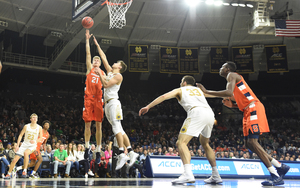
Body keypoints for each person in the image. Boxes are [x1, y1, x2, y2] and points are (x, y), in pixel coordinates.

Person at [197, 61, 290, 186]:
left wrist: (207, 91)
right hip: (247, 110)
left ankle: (275, 175)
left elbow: (228, 93)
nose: (220, 68)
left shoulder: (232, 75)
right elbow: (234, 98)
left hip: (254, 108)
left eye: (222, 67)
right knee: (249, 144)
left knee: (253, 142)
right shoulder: (234, 84)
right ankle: (279, 166)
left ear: (228, 69)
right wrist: (232, 104)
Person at [139, 75, 223, 184]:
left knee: (181, 142)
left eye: (181, 81)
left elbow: (164, 96)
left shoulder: (180, 89)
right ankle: (216, 175)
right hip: (210, 114)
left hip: (196, 113)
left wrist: (148, 106)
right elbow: (212, 94)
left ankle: (188, 174)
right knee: (205, 144)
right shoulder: (198, 90)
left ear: (184, 82)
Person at [93, 36, 138, 170]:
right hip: (107, 103)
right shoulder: (111, 72)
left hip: (114, 103)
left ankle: (121, 153)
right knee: (119, 128)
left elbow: (105, 85)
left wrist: (99, 73)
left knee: (116, 128)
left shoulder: (118, 76)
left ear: (120, 67)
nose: (114, 63)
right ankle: (130, 151)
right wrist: (97, 44)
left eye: (117, 62)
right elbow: (104, 57)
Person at [82, 29, 105, 159]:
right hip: (88, 99)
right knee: (87, 124)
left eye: (97, 60)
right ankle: (86, 147)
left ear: (100, 64)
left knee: (99, 125)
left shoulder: (103, 73)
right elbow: (88, 53)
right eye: (94, 60)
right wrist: (87, 40)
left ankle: (98, 148)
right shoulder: (89, 69)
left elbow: (106, 85)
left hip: (98, 99)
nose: (95, 61)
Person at [5, 113, 43, 179]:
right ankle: (8, 174)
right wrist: (17, 145)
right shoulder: (26, 126)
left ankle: (24, 171)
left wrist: (35, 141)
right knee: (14, 160)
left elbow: (41, 138)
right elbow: (20, 135)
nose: (35, 118)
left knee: (26, 153)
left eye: (36, 117)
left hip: (32, 145)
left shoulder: (39, 127)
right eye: (33, 117)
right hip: (24, 144)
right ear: (30, 119)